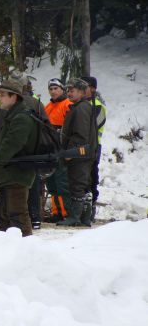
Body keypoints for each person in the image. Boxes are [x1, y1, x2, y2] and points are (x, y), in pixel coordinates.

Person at [0, 79, 38, 237]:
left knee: (17, 214)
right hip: (10, 172)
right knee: (0, 211)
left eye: (2, 95)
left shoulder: (21, 117)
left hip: (18, 173)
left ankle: (25, 250)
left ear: (14, 97)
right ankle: (6, 245)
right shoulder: (13, 114)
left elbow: (11, 145)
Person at [8, 69, 48, 230]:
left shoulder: (8, 102)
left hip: (14, 150)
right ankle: (34, 217)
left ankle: (16, 218)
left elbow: (0, 128)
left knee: (14, 184)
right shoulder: (36, 103)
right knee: (32, 183)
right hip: (33, 150)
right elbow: (46, 126)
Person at [57, 78, 97, 227]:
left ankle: (75, 217)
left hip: (80, 153)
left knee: (77, 184)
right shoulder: (82, 107)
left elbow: (80, 134)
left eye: (72, 90)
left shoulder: (81, 109)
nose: (69, 93)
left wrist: (70, 152)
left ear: (81, 92)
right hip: (85, 152)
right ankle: (85, 218)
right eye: (68, 90)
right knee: (83, 184)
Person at [44, 78, 73, 223]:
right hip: (50, 149)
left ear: (62, 89)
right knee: (52, 182)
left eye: (56, 88)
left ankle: (66, 212)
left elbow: (72, 128)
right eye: (51, 89)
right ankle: (57, 212)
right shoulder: (48, 107)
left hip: (61, 148)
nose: (53, 91)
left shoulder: (67, 104)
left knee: (62, 182)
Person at [81, 76, 107, 222]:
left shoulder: (98, 106)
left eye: (85, 86)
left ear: (92, 88)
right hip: (81, 145)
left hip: (93, 146)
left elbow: (91, 127)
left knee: (91, 176)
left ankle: (91, 207)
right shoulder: (80, 105)